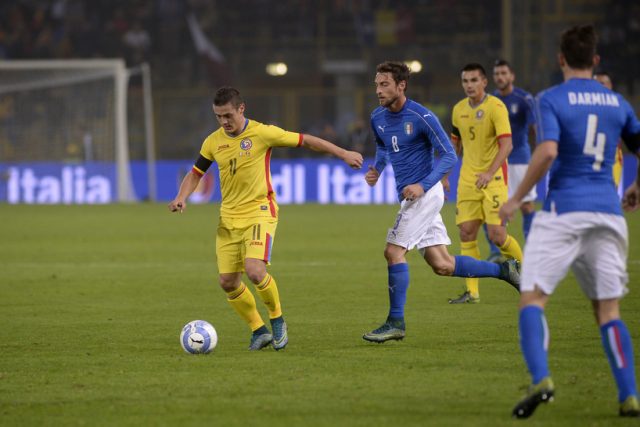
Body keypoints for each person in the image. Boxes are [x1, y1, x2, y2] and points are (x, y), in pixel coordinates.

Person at [499, 24, 640, 418]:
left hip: (563, 211)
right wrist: (636, 187)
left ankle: (542, 377)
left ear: (561, 59)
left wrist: (514, 198)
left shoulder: (550, 99)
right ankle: (629, 396)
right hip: (608, 213)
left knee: (533, 298)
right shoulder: (617, 102)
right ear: (595, 61)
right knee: (608, 311)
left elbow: (546, 152)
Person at [169, 86, 363, 351]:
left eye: (228, 115)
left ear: (241, 109)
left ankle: (277, 319)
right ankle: (258, 330)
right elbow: (196, 173)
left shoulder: (262, 133)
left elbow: (306, 140)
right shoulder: (212, 141)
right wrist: (182, 196)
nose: (224, 121)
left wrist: (343, 153)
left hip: (260, 211)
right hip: (228, 218)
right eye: (218, 116)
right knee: (227, 282)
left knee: (255, 270)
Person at [362, 61, 521, 343]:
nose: (378, 90)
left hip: (425, 193)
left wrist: (423, 185)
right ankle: (504, 270)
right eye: (376, 84)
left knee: (393, 252)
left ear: (401, 86)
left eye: (384, 84)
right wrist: (378, 169)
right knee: (443, 264)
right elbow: (384, 146)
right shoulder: (378, 117)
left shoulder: (421, 116)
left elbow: (448, 154)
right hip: (411, 195)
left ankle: (395, 322)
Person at [448, 63, 524, 304]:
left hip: (494, 180)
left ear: (484, 82)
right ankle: (472, 292)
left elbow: (507, 145)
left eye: (473, 80)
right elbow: (454, 146)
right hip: (468, 181)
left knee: (498, 235)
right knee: (466, 233)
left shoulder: (496, 107)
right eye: (465, 81)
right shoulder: (458, 110)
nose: (469, 85)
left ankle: (527, 278)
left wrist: (490, 173)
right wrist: (443, 175)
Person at [481, 60, 537, 263]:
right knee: (489, 206)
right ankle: (495, 252)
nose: (500, 77)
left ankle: (531, 250)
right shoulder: (489, 100)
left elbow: (535, 127)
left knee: (526, 205)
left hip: (520, 159)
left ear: (512, 76)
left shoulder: (523, 98)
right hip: (496, 162)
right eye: (496, 74)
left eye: (504, 73)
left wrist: (539, 151)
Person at [594, 70, 625, 198]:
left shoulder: (619, 106)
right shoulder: (586, 105)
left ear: (610, 86)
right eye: (596, 84)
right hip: (590, 158)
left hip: (611, 159)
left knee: (609, 197)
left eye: (602, 83)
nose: (599, 87)